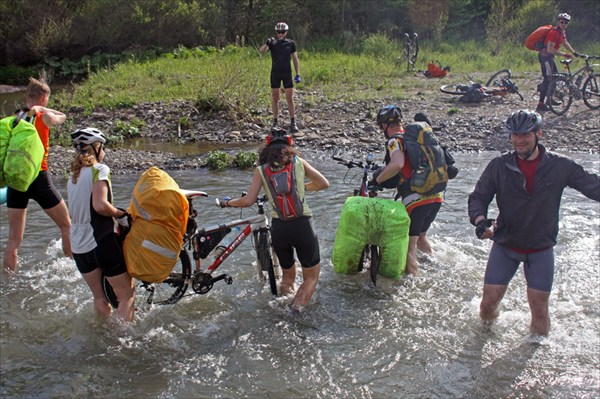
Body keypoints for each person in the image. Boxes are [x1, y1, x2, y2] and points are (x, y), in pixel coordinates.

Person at [468, 109, 599, 336]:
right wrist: (481, 221)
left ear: (539, 133)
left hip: (540, 249)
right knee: (488, 304)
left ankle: (535, 355)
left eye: (525, 134)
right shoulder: (499, 166)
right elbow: (478, 197)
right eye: (515, 135)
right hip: (506, 245)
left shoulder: (560, 166)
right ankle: (482, 340)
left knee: (539, 310)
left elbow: (592, 185)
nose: (519, 140)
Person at [221, 128, 329, 310]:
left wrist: (227, 203)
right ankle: (296, 311)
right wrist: (301, 188)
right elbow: (324, 183)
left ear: (266, 149)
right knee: (311, 277)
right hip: (303, 225)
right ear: (290, 147)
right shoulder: (298, 162)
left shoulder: (261, 171)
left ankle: (286, 306)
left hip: (279, 228)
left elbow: (248, 201)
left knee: (287, 278)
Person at [3, 77, 72, 272]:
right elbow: (62, 117)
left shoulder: (16, 118)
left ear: (27, 96)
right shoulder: (44, 116)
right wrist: (45, 110)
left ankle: (8, 281)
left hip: (17, 180)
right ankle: (73, 270)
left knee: (14, 239)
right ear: (44, 97)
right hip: (39, 178)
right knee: (67, 227)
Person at [68, 127, 135, 322]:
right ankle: (124, 342)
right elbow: (100, 206)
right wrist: (120, 213)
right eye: (103, 146)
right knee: (126, 295)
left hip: (79, 245)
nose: (104, 151)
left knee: (99, 297)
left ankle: (103, 335)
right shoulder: (100, 169)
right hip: (100, 239)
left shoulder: (73, 175)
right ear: (96, 147)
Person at [370, 105, 443, 276]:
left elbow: (397, 165)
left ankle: (415, 287)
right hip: (436, 196)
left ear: (383, 126)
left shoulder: (395, 141)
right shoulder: (416, 138)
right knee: (421, 237)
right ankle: (438, 269)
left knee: (409, 248)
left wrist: (377, 180)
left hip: (415, 200)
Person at [259, 22, 301, 133]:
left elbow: (295, 59)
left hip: (287, 73)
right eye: (278, 32)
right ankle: (275, 122)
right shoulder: (273, 43)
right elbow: (261, 51)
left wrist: (298, 74)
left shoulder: (290, 43)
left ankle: (293, 122)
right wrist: (267, 43)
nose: (280, 34)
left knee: (289, 99)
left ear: (286, 32)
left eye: (282, 32)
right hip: (275, 73)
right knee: (275, 98)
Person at [537, 12, 579, 112]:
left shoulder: (562, 32)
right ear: (558, 22)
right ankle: (540, 104)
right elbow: (550, 49)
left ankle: (550, 99)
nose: (564, 24)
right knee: (547, 80)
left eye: (566, 23)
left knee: (555, 77)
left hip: (550, 57)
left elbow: (565, 43)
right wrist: (564, 54)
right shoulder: (554, 33)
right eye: (562, 22)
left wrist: (574, 52)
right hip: (545, 57)